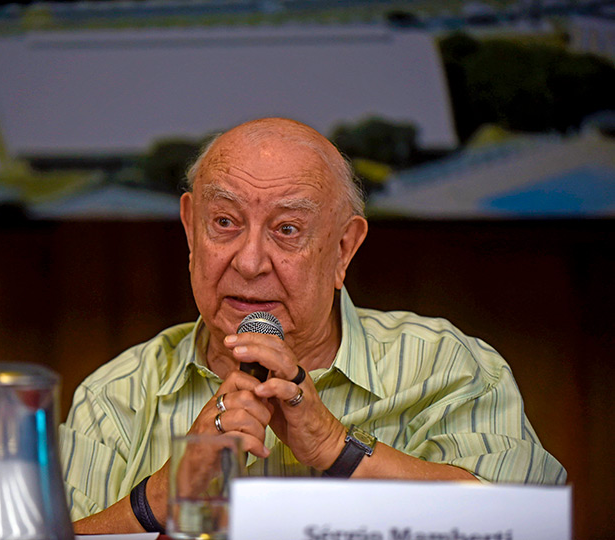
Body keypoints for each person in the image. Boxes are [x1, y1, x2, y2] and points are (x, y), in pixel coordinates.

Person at [59, 117, 566, 534]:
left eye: (287, 230)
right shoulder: (118, 397)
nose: (251, 261)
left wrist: (334, 447)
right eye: (225, 223)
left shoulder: (445, 366)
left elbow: (524, 523)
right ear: (191, 229)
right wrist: (156, 501)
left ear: (344, 248)